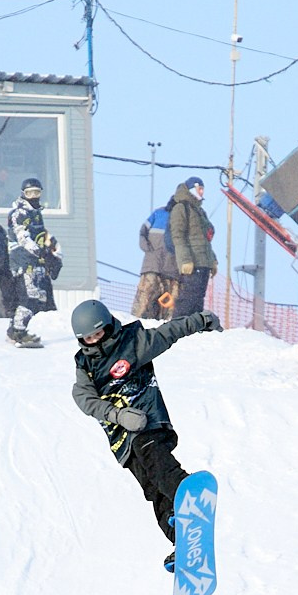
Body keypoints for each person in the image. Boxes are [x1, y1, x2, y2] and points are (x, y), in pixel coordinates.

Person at [68, 296, 222, 566]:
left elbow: (168, 332)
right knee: (152, 488)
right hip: (122, 441)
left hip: (148, 423)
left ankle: (187, 495)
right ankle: (182, 541)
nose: (95, 341)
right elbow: (84, 399)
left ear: (108, 326)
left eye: (98, 333)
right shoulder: (85, 366)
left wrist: (200, 321)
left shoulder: (132, 343)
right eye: (88, 338)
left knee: (153, 459)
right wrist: (117, 416)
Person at [6, 177, 59, 347]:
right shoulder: (19, 213)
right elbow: (23, 237)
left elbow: (43, 236)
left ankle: (15, 328)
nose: (34, 196)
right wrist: (40, 251)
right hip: (23, 261)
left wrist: (54, 254)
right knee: (30, 297)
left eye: (37, 192)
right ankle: (18, 331)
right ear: (23, 194)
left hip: (36, 262)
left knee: (38, 298)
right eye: (30, 193)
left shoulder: (36, 214)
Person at [166, 175, 218, 317]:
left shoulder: (200, 212)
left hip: (203, 262)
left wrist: (212, 260)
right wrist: (185, 260)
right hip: (192, 263)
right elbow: (178, 236)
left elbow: (205, 240)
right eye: (199, 188)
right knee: (188, 298)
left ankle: (193, 328)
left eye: (203, 189)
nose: (202, 192)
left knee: (198, 299)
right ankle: (179, 326)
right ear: (191, 189)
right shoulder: (181, 208)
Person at [134, 205, 177, 319]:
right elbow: (142, 232)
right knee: (144, 304)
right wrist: (148, 249)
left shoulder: (160, 213)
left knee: (150, 306)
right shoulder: (159, 213)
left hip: (163, 268)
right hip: (159, 268)